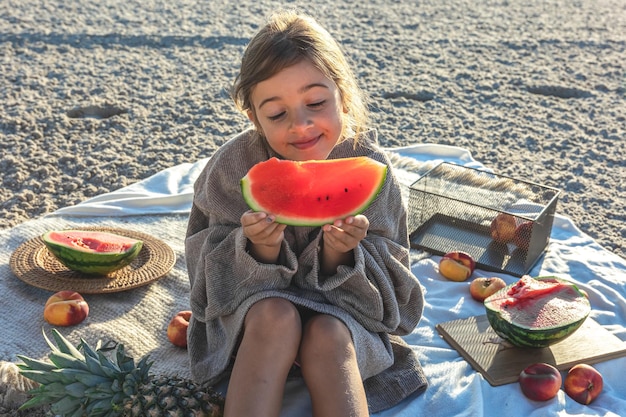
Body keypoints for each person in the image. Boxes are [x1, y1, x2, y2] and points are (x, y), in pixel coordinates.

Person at [185, 9, 427, 417]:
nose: (300, 125)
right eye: (276, 114)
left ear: (343, 95)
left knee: (329, 335)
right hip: (253, 316)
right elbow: (206, 276)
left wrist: (341, 254)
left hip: (345, 315)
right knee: (275, 316)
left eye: (316, 101)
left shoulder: (370, 168)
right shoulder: (231, 167)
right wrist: (257, 249)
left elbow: (394, 282)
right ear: (254, 118)